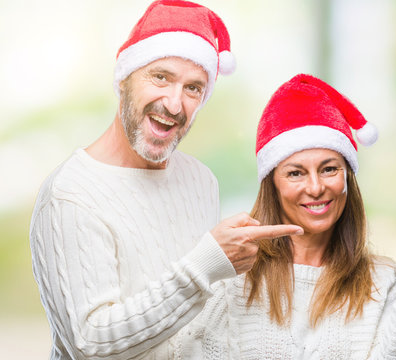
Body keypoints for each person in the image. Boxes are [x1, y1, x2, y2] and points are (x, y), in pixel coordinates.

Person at [28, 1, 302, 359]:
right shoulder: (70, 195)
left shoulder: (201, 180)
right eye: (161, 77)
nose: (174, 104)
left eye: (193, 88)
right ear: (124, 78)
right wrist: (207, 264)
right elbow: (90, 345)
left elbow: (197, 325)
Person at [175, 74, 396, 359]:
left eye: (329, 169)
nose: (316, 187)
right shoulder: (233, 278)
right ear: (273, 184)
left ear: (347, 179)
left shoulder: (382, 281)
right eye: (296, 173)